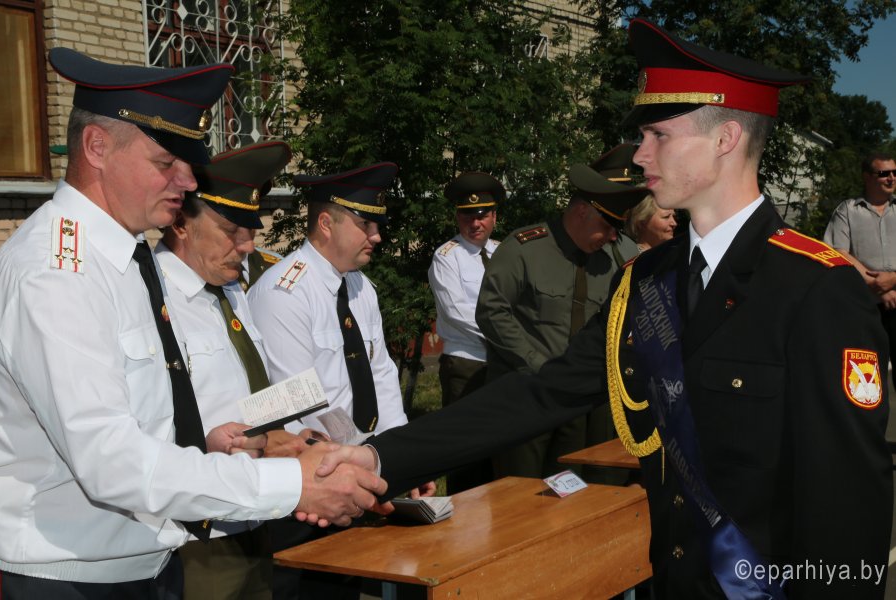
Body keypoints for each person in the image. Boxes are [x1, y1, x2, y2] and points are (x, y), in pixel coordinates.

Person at [315, 18, 892, 600]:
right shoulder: (646, 281)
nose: (641, 154)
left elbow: (849, 501)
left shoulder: (816, 287)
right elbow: (544, 394)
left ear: (726, 138)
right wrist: (378, 456)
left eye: (659, 134)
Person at [0, 49, 385, 598]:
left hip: (147, 560)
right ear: (97, 147)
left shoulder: (122, 257)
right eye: (165, 162)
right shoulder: (57, 271)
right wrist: (289, 484)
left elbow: (145, 413)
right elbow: (109, 460)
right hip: (77, 576)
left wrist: (205, 443)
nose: (185, 180)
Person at [247, 163, 434, 599]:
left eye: (377, 224)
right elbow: (301, 407)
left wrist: (401, 457)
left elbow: (381, 375)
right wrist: (370, 468)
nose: (377, 236)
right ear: (326, 224)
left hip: (356, 473)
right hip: (310, 486)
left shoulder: (361, 288)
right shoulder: (285, 292)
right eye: (365, 224)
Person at [156, 141, 292, 600]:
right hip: (197, 535)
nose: (247, 245)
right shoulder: (150, 296)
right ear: (180, 222)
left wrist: (293, 435)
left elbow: (248, 387)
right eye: (232, 230)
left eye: (250, 229)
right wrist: (202, 442)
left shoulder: (230, 290)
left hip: (256, 513)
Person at [476, 144, 644, 481]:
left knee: (582, 491)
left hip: (585, 402)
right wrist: (539, 365)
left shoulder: (621, 254)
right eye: (608, 225)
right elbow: (492, 311)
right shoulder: (525, 249)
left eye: (618, 227)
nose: (613, 235)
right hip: (528, 395)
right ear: (581, 212)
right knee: (521, 493)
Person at [428, 171, 504, 493]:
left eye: (482, 215)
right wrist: (507, 337)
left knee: (500, 446)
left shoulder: (505, 252)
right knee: (466, 451)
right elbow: (456, 312)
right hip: (466, 364)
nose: (475, 223)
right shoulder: (447, 257)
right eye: (467, 216)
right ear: (457, 217)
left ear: (494, 216)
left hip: (502, 364)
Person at [823, 152, 896, 386]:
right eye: (884, 173)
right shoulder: (847, 211)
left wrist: (893, 280)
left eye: (895, 172)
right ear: (867, 177)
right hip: (864, 307)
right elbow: (837, 251)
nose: (892, 178)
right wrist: (877, 285)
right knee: (867, 379)